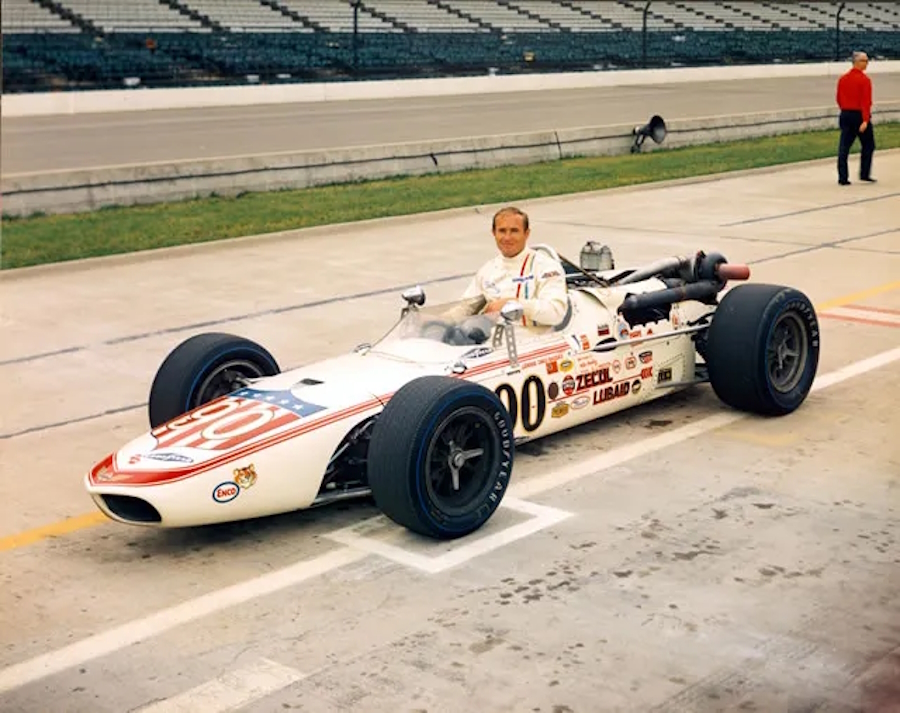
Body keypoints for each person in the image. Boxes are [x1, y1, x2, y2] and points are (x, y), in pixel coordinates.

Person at [457, 206, 568, 333]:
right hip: (494, 340)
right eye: (502, 231)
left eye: (514, 231)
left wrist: (513, 304)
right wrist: (442, 321)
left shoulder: (546, 266)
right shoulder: (487, 270)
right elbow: (465, 308)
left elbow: (555, 313)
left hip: (536, 339)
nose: (507, 238)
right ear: (494, 233)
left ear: (526, 234)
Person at [836, 51, 876, 185]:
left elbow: (839, 98)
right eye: (864, 61)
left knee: (844, 147)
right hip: (859, 115)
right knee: (868, 145)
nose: (867, 63)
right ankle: (864, 173)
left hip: (846, 114)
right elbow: (866, 101)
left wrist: (844, 109)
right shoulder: (864, 80)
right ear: (856, 62)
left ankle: (843, 177)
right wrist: (865, 120)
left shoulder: (843, 79)